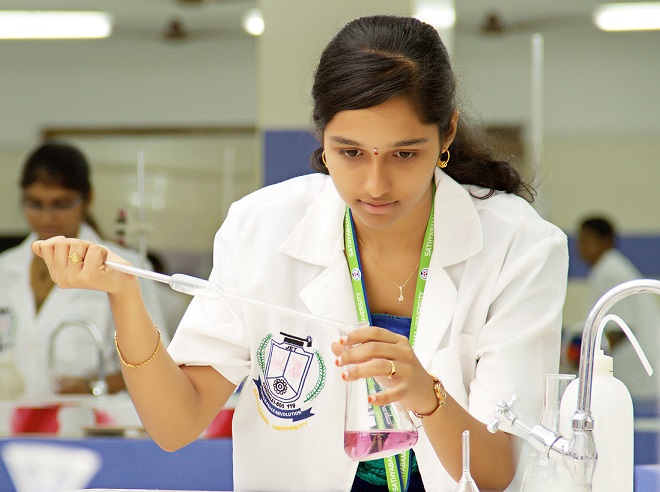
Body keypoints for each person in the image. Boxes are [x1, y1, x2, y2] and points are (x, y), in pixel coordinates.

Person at [31, 16, 568, 492]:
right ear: (321, 135)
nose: (376, 184)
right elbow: (176, 426)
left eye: (405, 153)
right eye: (350, 152)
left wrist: (427, 395)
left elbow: (497, 473)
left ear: (445, 131)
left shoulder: (517, 246)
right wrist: (124, 296)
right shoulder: (262, 228)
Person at [0, 141, 167, 397]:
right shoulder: (5, 268)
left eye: (61, 204)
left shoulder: (123, 266)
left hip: (90, 424)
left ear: (87, 198)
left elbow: (157, 359)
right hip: (12, 423)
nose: (47, 217)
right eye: (35, 204)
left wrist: (94, 387)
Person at [576, 216, 659, 400]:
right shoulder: (611, 267)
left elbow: (619, 329)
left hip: (636, 372)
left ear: (606, 240)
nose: (580, 247)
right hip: (638, 370)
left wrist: (584, 360)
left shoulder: (609, 271)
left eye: (586, 240)